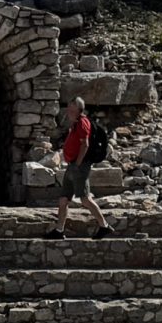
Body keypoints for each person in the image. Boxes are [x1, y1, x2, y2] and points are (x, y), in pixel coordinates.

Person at [50, 96, 109, 239]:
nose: (69, 110)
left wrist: (77, 164)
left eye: (72, 107)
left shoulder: (83, 123)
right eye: (69, 107)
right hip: (72, 166)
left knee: (85, 199)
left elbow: (85, 144)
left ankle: (104, 226)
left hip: (79, 166)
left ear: (79, 109)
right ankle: (59, 231)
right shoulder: (75, 123)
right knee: (63, 200)